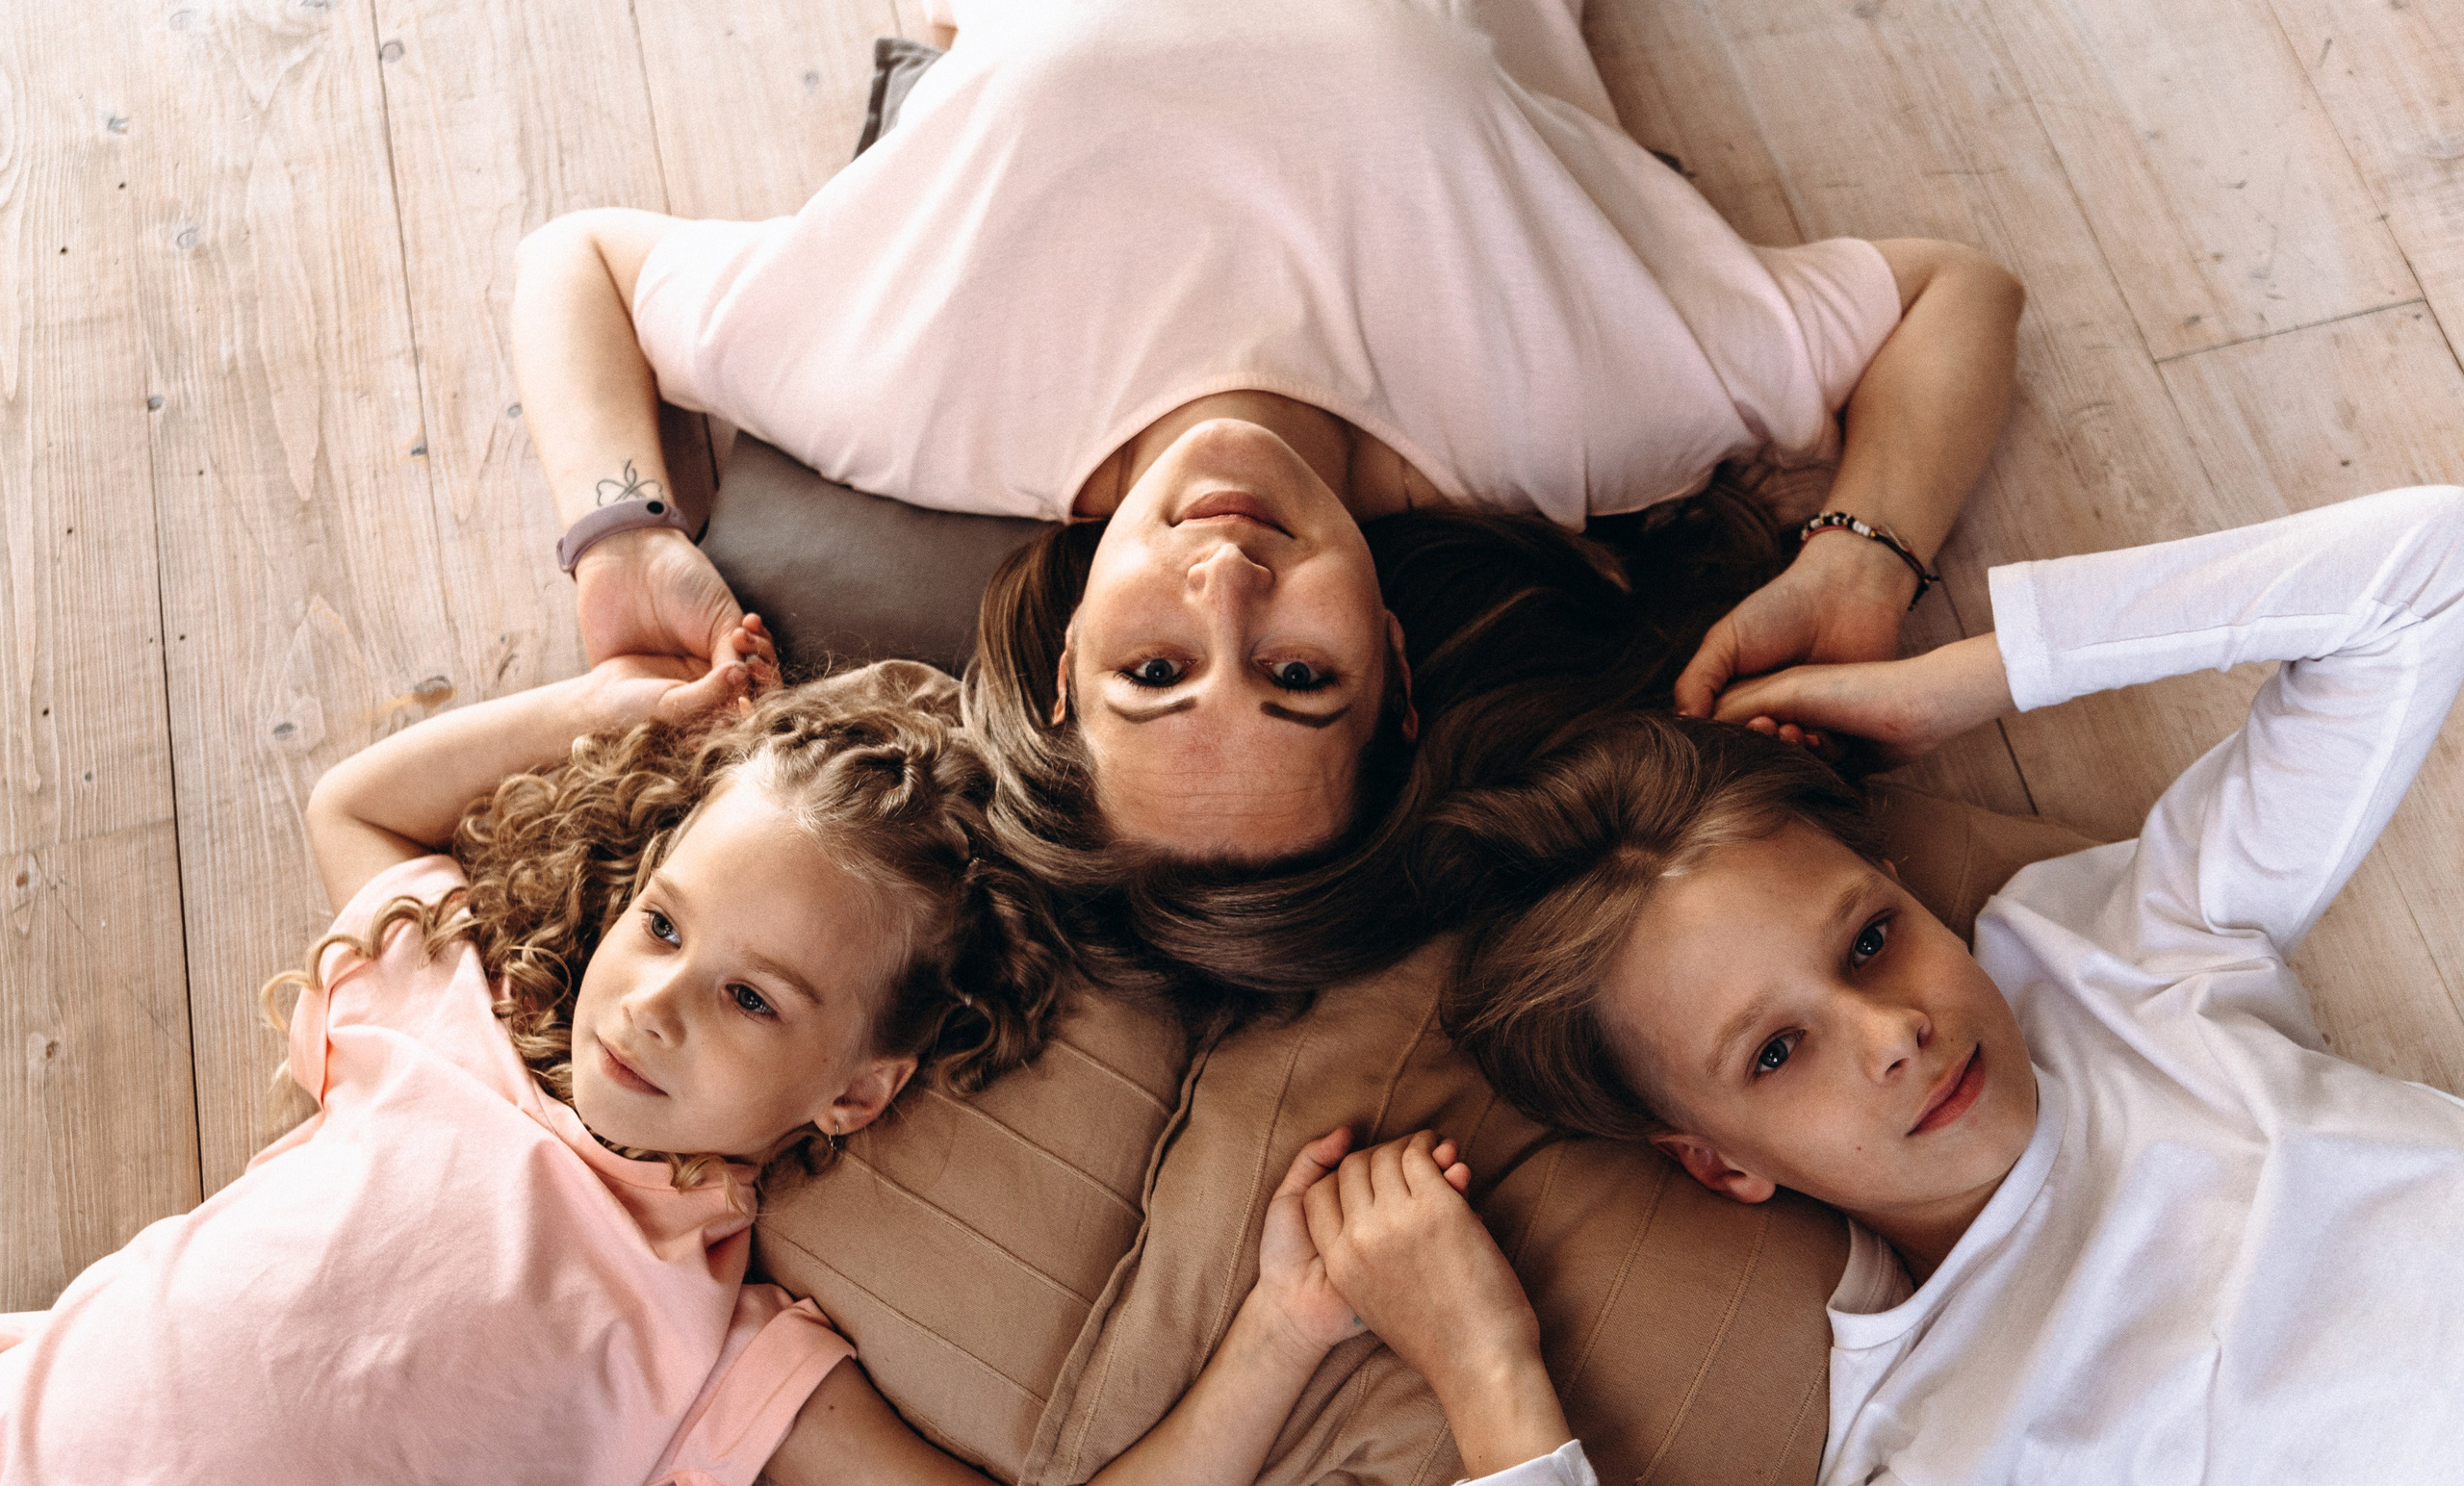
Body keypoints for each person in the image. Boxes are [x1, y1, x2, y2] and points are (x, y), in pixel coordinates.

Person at [0, 630, 1426, 1486]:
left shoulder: (709, 1346)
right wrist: (645, 715)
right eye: (666, 922)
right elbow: (353, 804)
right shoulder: (445, 1022)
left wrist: (1285, 1330)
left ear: (853, 1093)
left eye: (751, 995)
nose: (658, 999)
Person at [1303, 486, 2464, 1486]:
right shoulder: (1927, 1479)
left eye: (1868, 939)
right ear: (1716, 1165)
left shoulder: (2129, 965)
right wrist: (1487, 1380)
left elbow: (2427, 572)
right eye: (1774, 1052)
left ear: (1907, 891)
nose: (1890, 1033)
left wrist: (1964, 680)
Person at [509, 0, 2023, 869]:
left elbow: (579, 262)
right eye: (1300, 676)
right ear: (1398, 659)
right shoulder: (1571, 411)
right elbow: (1956, 294)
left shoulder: (918, 394)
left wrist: (620, 532)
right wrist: (1864, 561)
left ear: (1061, 655)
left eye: (1153, 669)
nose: (1226, 585)